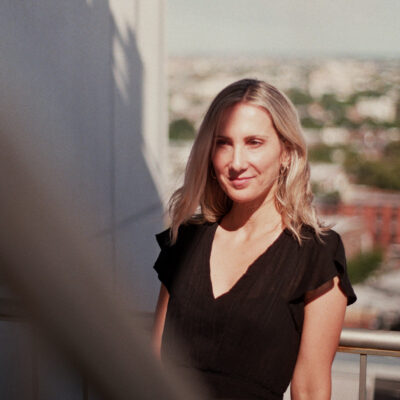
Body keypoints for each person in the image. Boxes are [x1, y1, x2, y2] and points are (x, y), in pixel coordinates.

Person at [152, 79, 356, 400]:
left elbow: (310, 389)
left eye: (254, 142)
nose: (236, 162)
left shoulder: (315, 255)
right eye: (223, 143)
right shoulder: (185, 240)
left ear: (286, 152)